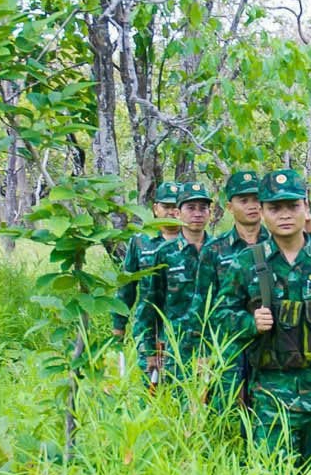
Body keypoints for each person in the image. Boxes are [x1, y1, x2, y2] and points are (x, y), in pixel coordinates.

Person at [210, 168, 311, 475]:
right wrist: (248, 323)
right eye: (274, 208)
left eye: (292, 206)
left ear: (305, 208)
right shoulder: (246, 263)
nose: (284, 215)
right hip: (271, 395)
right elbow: (220, 317)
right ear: (264, 212)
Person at [136, 180, 216, 383]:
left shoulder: (221, 251)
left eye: (203, 208)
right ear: (178, 213)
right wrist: (150, 350)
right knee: (175, 403)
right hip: (175, 346)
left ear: (210, 213)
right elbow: (150, 305)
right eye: (190, 208)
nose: (197, 213)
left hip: (216, 346)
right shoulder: (165, 253)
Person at [196, 169, 265, 401]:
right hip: (229, 348)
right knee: (228, 413)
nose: (252, 206)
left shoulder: (278, 244)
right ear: (229, 206)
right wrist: (203, 354)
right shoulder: (214, 250)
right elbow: (203, 307)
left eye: (257, 199)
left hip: (271, 347)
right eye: (244, 200)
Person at [113, 180, 179, 340]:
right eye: (166, 207)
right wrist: (118, 326)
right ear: (156, 208)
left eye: (176, 207)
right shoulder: (141, 241)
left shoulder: (195, 240)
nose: (171, 212)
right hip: (148, 330)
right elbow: (127, 287)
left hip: (185, 333)